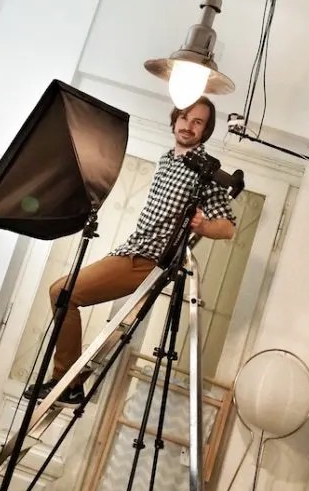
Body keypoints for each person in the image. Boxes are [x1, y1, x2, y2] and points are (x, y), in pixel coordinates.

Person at [27, 96, 237, 407]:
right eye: (184, 117)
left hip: (149, 261)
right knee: (62, 293)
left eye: (198, 122)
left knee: (62, 293)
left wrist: (203, 225)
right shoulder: (166, 159)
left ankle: (66, 383)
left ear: (205, 131)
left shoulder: (205, 172)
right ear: (175, 119)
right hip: (130, 250)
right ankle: (70, 383)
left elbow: (229, 228)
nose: (188, 126)